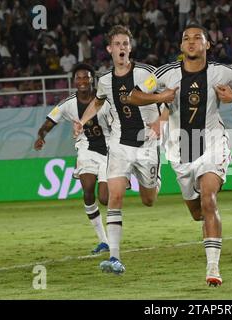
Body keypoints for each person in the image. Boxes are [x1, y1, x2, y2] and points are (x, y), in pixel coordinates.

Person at [127, 23, 232, 286]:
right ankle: (205, 224)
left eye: (197, 38)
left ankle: (213, 268)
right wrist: (159, 97)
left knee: (209, 199)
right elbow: (133, 95)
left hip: (212, 142)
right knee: (197, 212)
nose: (191, 42)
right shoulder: (165, 74)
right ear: (180, 46)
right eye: (186, 38)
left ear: (207, 45)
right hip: (179, 149)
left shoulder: (221, 72)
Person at [73, 25, 161, 276]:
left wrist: (161, 121)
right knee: (115, 197)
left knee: (149, 200)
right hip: (120, 144)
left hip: (147, 143)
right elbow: (98, 102)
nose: (122, 48)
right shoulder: (105, 81)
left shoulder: (147, 73)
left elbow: (168, 97)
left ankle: (154, 180)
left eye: (126, 44)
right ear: (110, 49)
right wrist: (82, 120)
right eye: (117, 44)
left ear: (130, 48)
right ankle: (114, 258)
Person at [34, 63, 111, 255]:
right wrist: (41, 135)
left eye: (86, 77)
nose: (83, 81)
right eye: (79, 78)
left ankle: (112, 229)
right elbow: (48, 123)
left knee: (104, 198)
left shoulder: (105, 99)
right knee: (87, 191)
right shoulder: (68, 104)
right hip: (86, 148)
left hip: (110, 149)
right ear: (74, 81)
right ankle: (103, 241)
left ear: (93, 79)